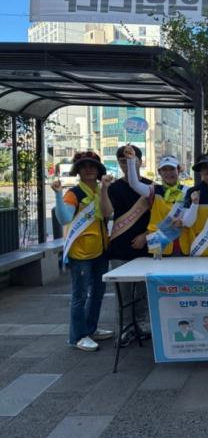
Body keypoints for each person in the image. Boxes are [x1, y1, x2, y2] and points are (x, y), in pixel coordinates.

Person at [53, 151, 112, 352]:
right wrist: (58, 195)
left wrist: (105, 189)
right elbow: (64, 218)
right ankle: (77, 336)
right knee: (80, 295)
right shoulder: (74, 194)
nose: (88, 169)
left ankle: (90, 329)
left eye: (92, 166)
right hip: (80, 253)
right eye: (84, 166)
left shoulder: (100, 190)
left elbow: (107, 213)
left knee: (98, 293)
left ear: (99, 170)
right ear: (78, 170)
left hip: (101, 249)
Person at [100, 145, 153, 347]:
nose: (126, 163)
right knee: (122, 294)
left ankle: (142, 326)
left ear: (140, 161)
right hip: (120, 247)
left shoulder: (150, 187)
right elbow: (107, 213)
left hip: (145, 247)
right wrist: (103, 189)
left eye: (131, 159)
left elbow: (159, 218)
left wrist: (146, 236)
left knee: (142, 292)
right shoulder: (113, 188)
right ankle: (124, 329)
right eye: (122, 160)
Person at [124, 148, 196, 257]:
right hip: (158, 243)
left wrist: (182, 221)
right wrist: (130, 161)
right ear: (159, 172)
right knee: (156, 268)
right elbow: (134, 184)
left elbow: (191, 217)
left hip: (183, 244)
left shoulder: (188, 191)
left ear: (178, 170)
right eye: (164, 170)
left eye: (172, 169)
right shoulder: (153, 191)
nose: (168, 173)